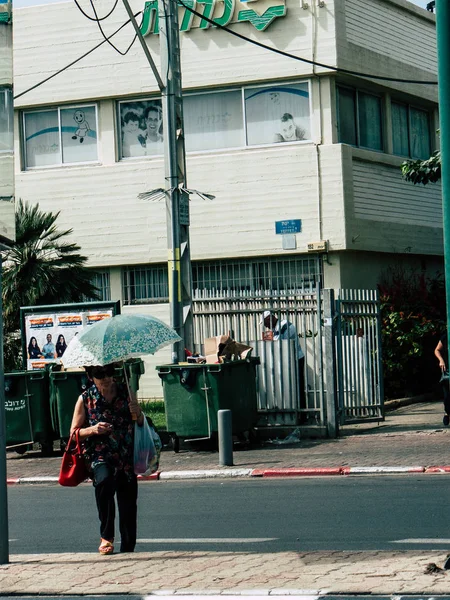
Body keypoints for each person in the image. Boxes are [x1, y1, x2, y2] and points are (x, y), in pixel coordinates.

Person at [70, 363, 145, 555]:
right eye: (99, 373)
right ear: (90, 375)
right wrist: (92, 429)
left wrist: (139, 414)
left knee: (128, 501)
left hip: (125, 454)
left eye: (109, 372)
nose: (105, 377)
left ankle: (128, 546)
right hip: (100, 454)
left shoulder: (126, 390)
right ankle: (107, 537)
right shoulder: (86, 398)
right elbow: (73, 433)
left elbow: (141, 422)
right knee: (104, 483)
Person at [261, 310, 306, 413]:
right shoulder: (276, 328)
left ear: (270, 318)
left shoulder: (284, 325)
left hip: (295, 359)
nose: (266, 326)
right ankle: (293, 411)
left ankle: (301, 413)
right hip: (288, 360)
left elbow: (278, 343)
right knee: (289, 385)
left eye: (265, 323)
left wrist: (269, 338)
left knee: (297, 386)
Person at [434, 331, 449, 426]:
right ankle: (447, 412)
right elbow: (437, 350)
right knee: (447, 395)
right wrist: (441, 360)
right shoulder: (446, 335)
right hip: (448, 369)